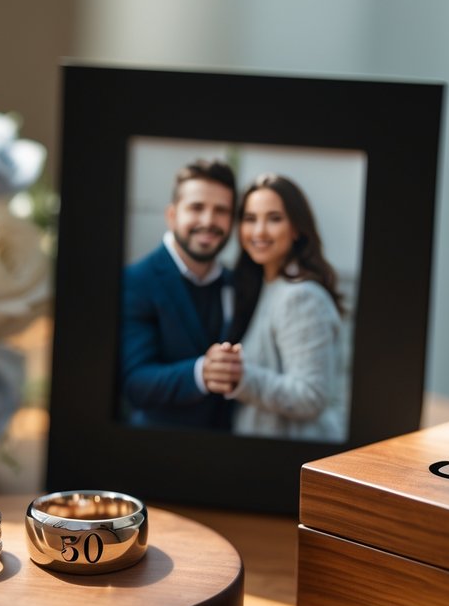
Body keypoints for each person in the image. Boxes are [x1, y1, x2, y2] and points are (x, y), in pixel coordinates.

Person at [215, 173, 345, 441]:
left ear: (296, 228)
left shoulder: (301, 297)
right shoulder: (264, 285)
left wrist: (239, 376)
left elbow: (311, 396)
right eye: (250, 219)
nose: (259, 231)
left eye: (274, 218)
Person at [120, 159, 244, 429]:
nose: (209, 221)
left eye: (221, 210)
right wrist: (201, 372)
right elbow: (134, 382)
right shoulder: (136, 280)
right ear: (172, 215)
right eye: (197, 207)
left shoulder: (234, 282)